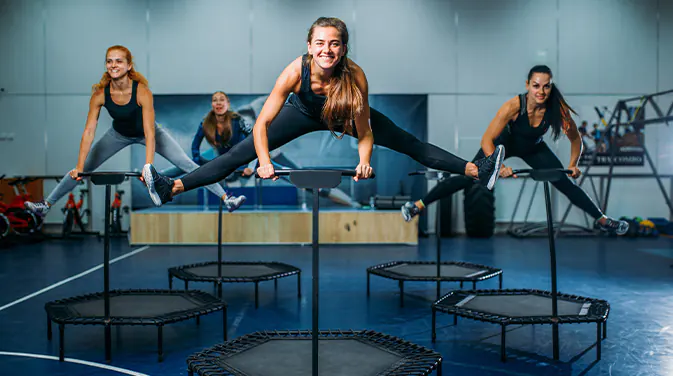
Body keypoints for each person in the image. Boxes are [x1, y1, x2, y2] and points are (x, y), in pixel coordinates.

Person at [141, 17, 504, 205]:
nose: (326, 50)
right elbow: (262, 124)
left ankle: (476, 170)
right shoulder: (293, 71)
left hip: (342, 115)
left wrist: (363, 160)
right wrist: (265, 161)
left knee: (408, 142)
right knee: (237, 155)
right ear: (309, 46)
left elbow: (364, 132)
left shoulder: (355, 76)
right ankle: (171, 186)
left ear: (343, 48)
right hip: (301, 112)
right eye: (320, 43)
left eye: (334, 44)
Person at [400, 65, 629, 235]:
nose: (541, 91)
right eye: (536, 85)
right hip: (503, 144)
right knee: (468, 175)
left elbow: (576, 139)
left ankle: (602, 220)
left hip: (534, 148)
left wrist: (573, 165)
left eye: (546, 86)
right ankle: (417, 206)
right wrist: (497, 166)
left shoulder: (557, 109)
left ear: (551, 87)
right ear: (528, 85)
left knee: (563, 181)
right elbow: (487, 140)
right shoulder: (513, 106)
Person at [24, 45, 245, 216]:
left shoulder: (142, 92)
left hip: (151, 133)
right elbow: (89, 131)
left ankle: (227, 199)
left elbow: (149, 132)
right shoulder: (100, 94)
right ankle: (46, 204)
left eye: (118, 61)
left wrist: (148, 167)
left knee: (187, 164)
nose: (113, 65)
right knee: (80, 170)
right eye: (109, 61)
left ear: (129, 66)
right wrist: (81, 166)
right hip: (118, 135)